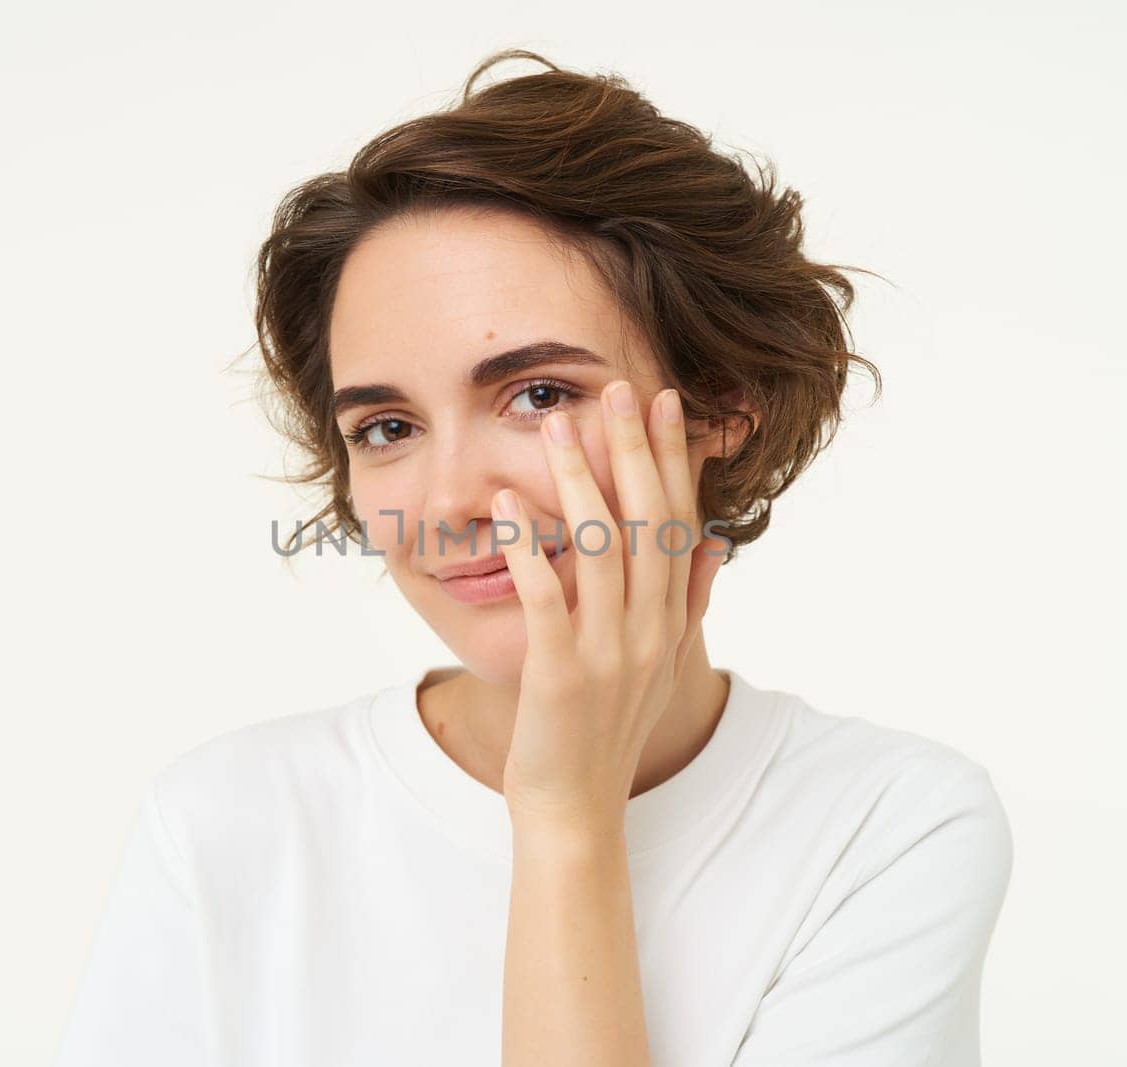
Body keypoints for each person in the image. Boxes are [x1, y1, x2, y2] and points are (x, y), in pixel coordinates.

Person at [52, 49, 1013, 1067]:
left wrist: (566, 816)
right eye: (385, 427)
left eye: (538, 394)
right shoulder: (227, 822)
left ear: (727, 401)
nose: (452, 500)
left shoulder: (887, 825)